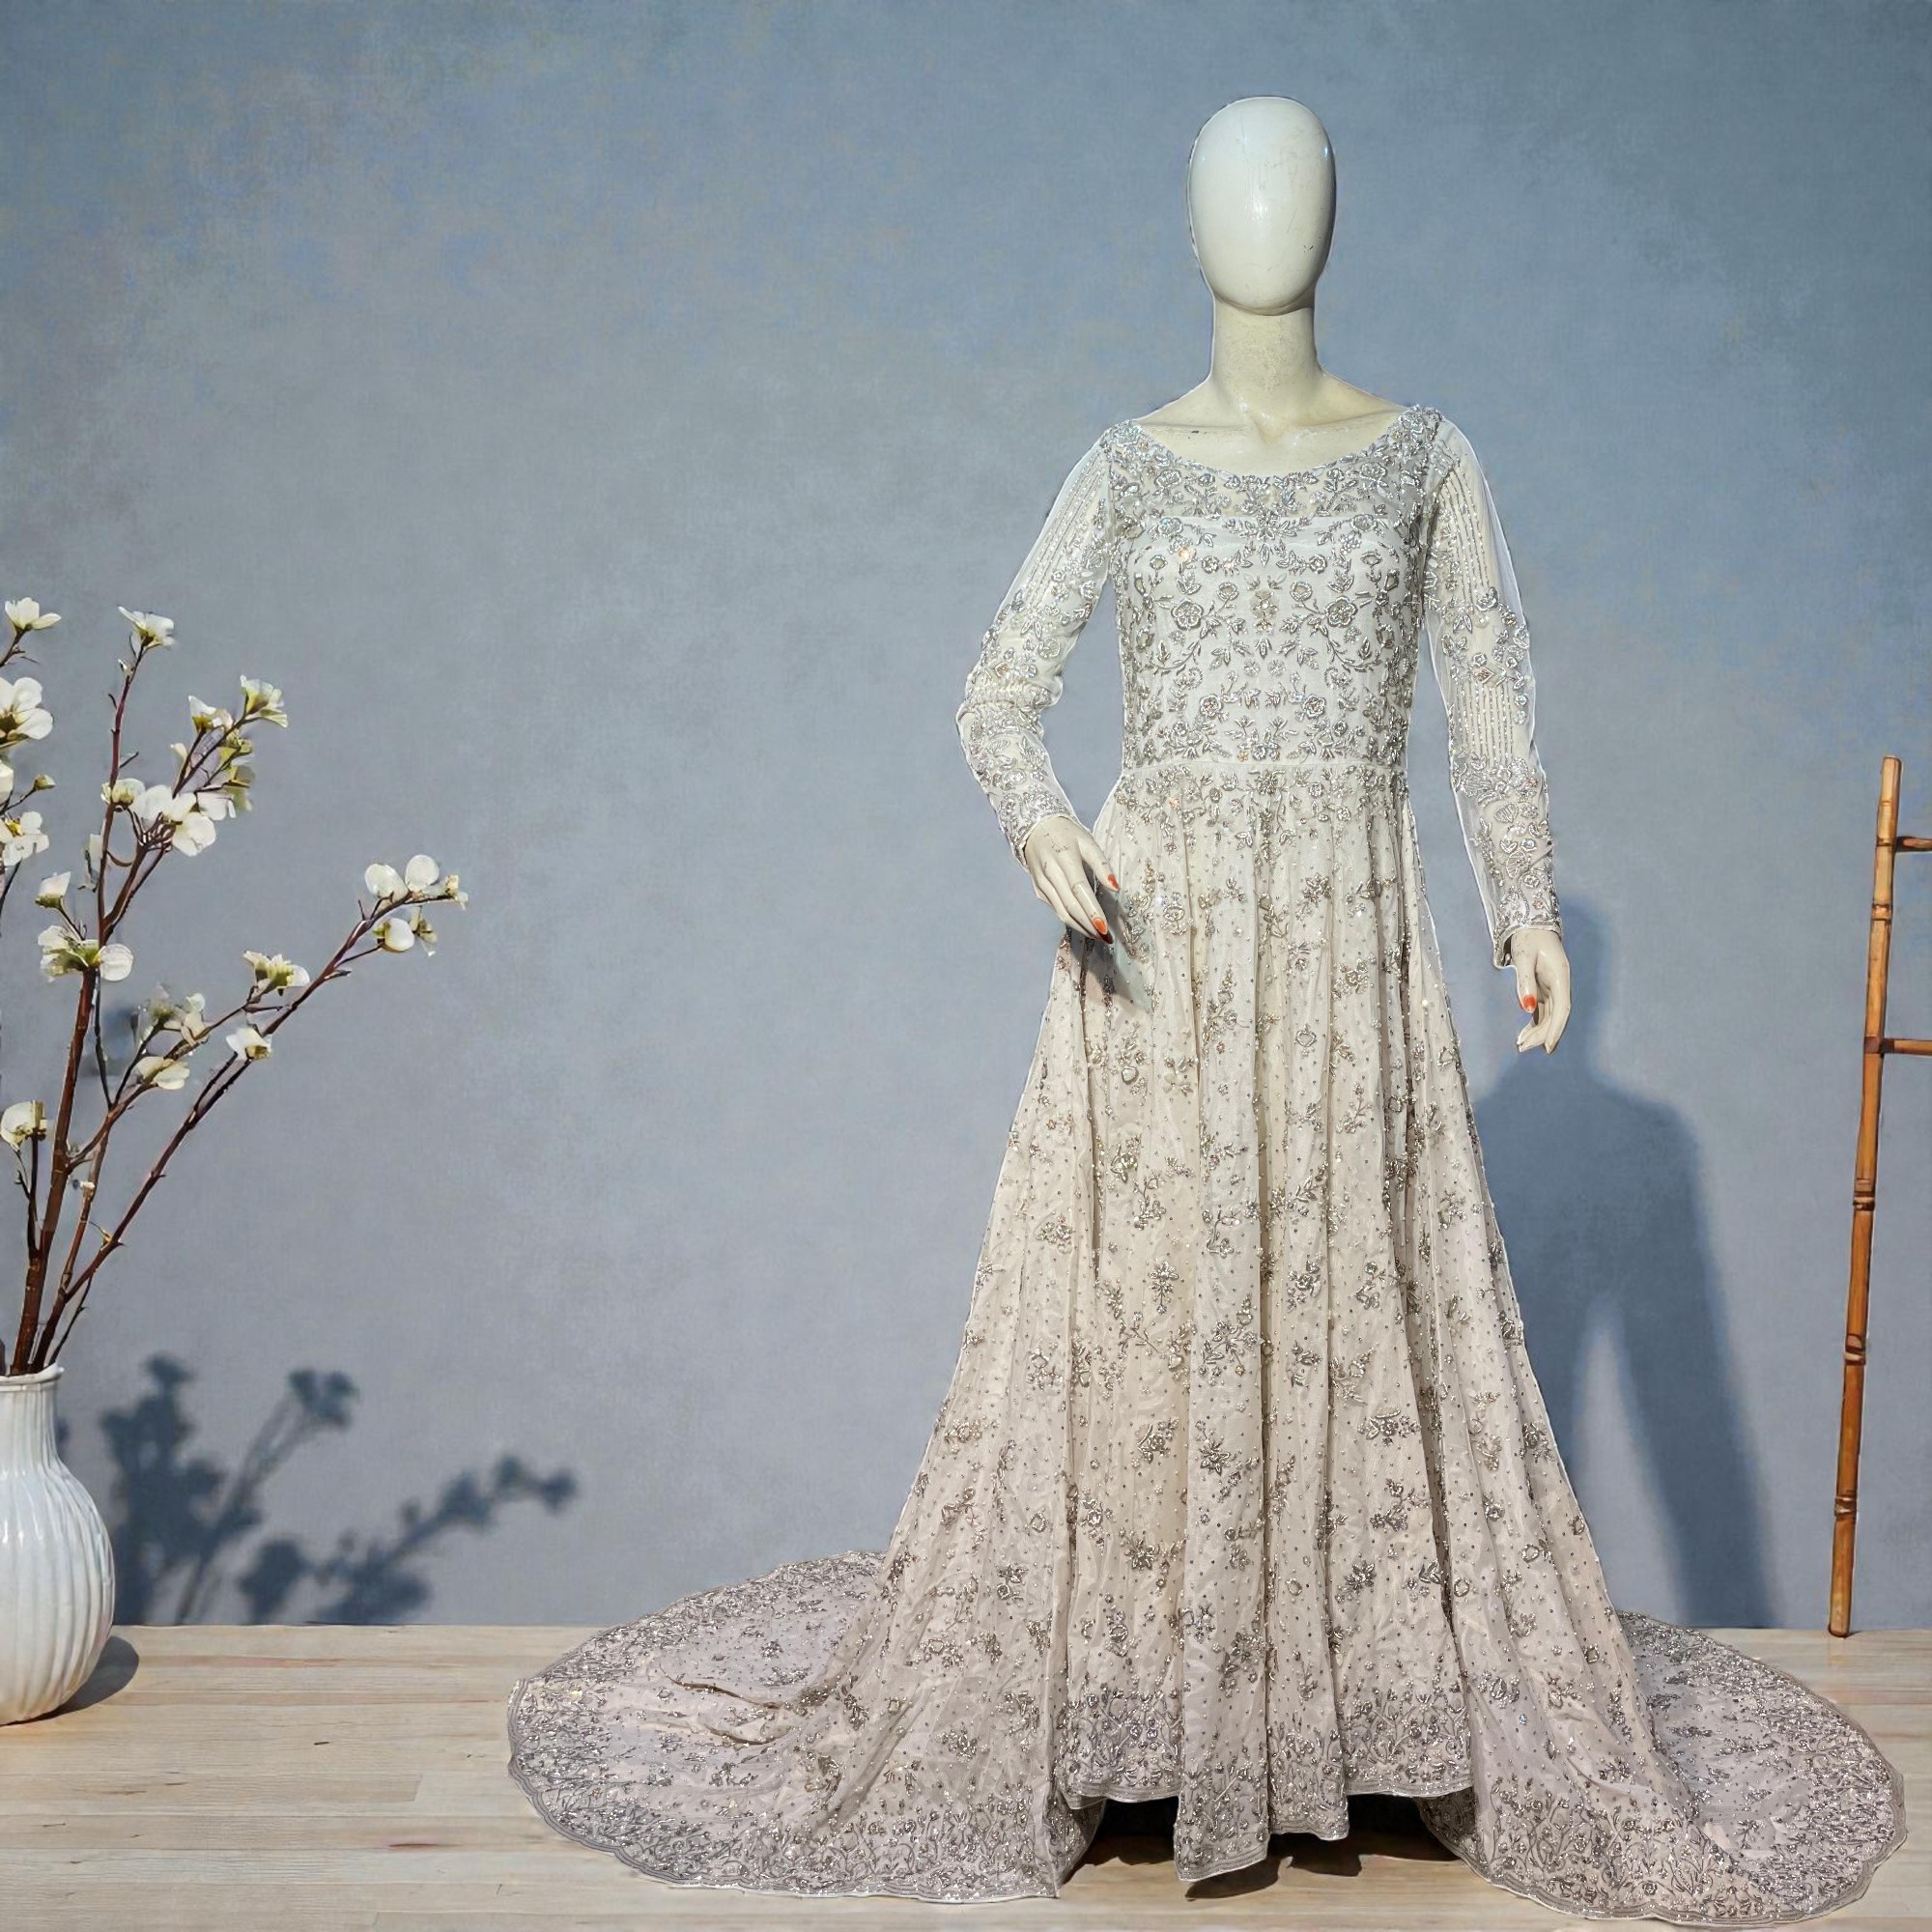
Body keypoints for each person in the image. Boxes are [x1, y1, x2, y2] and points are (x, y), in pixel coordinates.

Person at [506, 97, 1904, 1920]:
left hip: (1346, 946)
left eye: (1295, 182)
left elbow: (1488, 691)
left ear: (1336, 216)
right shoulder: (1126, 463)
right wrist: (1048, 834)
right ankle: (1146, 1712)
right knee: (1150, 1306)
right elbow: (996, 694)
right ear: (1188, 231)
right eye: (1234, 190)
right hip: (1156, 944)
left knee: (1347, 1293)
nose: (1266, 215)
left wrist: (1522, 903)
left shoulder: (1426, 462)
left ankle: (1332, 1714)